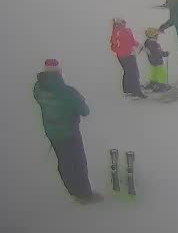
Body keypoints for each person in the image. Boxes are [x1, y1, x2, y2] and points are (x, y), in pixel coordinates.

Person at [33, 59, 100, 203]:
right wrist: (78, 99)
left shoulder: (38, 88)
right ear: (59, 72)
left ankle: (73, 190)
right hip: (69, 133)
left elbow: (42, 98)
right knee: (78, 163)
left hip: (52, 132)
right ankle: (85, 194)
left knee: (64, 162)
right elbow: (85, 111)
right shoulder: (68, 92)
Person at [109, 19, 144, 98]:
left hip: (128, 55)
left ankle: (128, 89)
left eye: (123, 22)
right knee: (133, 73)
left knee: (128, 72)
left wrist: (139, 45)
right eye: (121, 22)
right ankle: (136, 91)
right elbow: (114, 46)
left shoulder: (124, 30)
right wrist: (122, 51)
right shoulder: (117, 32)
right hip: (125, 56)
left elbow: (132, 41)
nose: (124, 23)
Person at [142, 28, 170, 92]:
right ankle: (162, 85)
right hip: (158, 61)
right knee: (161, 73)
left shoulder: (147, 42)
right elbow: (158, 53)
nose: (158, 36)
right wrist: (165, 54)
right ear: (154, 36)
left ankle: (153, 83)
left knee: (154, 72)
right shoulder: (154, 44)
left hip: (152, 61)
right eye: (157, 35)